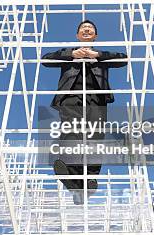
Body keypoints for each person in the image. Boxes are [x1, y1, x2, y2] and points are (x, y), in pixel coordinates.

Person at [41, 20, 127, 204]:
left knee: (95, 137)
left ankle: (88, 181)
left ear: (95, 35)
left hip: (97, 98)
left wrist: (97, 55)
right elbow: (46, 60)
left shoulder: (101, 56)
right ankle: (73, 177)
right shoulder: (69, 54)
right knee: (72, 133)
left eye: (90, 29)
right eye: (83, 29)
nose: (86, 30)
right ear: (78, 35)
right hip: (71, 97)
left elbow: (123, 58)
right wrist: (71, 54)